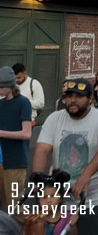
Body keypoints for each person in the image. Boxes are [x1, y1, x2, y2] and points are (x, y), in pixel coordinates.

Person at [32, 78, 98, 235]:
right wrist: (38, 179)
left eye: (78, 96)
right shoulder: (54, 119)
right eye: (69, 96)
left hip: (94, 196)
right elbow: (42, 149)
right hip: (62, 195)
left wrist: (86, 175)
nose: (72, 100)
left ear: (90, 99)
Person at [0, 66, 32, 223]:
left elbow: (26, 134)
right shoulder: (1, 104)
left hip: (16, 161)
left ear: (10, 86)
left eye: (1, 86)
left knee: (15, 205)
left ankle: (32, 229)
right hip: (2, 160)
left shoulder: (23, 103)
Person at [23, 169, 78, 235]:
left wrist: (72, 225)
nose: (48, 200)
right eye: (44, 197)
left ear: (60, 198)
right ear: (39, 200)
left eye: (53, 196)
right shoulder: (35, 218)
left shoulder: (67, 217)